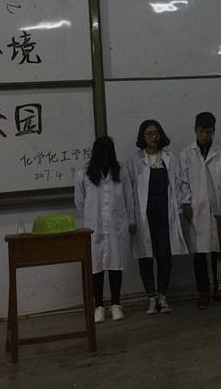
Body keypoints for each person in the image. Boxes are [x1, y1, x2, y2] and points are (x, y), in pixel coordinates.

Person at [126, 119, 191, 315]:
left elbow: (179, 185)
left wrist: (179, 209)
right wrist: (131, 218)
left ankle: (163, 295)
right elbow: (129, 192)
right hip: (144, 214)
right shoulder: (134, 162)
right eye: (149, 134)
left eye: (156, 133)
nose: (154, 137)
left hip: (165, 212)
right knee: (145, 256)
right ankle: (151, 297)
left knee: (164, 254)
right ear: (142, 137)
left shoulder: (170, 159)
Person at [74, 136, 135, 323]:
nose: (105, 155)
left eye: (108, 151)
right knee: (96, 267)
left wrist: (131, 221)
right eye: (102, 151)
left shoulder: (122, 171)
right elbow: (80, 202)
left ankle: (116, 304)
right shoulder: (84, 174)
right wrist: (92, 218)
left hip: (117, 226)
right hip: (95, 227)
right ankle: (98, 306)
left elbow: (129, 198)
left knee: (116, 265)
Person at [179, 111, 221, 309]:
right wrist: (186, 203)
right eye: (201, 131)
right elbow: (183, 182)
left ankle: (219, 290)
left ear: (213, 131)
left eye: (208, 132)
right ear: (195, 130)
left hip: (217, 207)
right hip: (197, 208)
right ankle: (203, 292)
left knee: (218, 250)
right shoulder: (186, 153)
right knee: (200, 252)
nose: (204, 135)